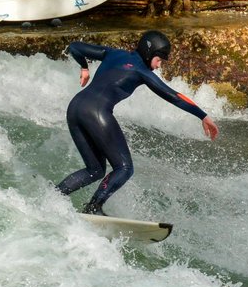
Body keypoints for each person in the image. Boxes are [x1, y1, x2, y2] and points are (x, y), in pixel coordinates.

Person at [54, 31, 218, 215]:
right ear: (149, 53)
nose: (158, 65)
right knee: (124, 168)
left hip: (75, 107)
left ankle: (52, 198)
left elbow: (75, 46)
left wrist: (84, 67)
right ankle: (93, 207)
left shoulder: (113, 53)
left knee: (95, 170)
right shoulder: (141, 71)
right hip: (96, 112)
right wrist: (203, 116)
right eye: (159, 59)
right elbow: (174, 96)